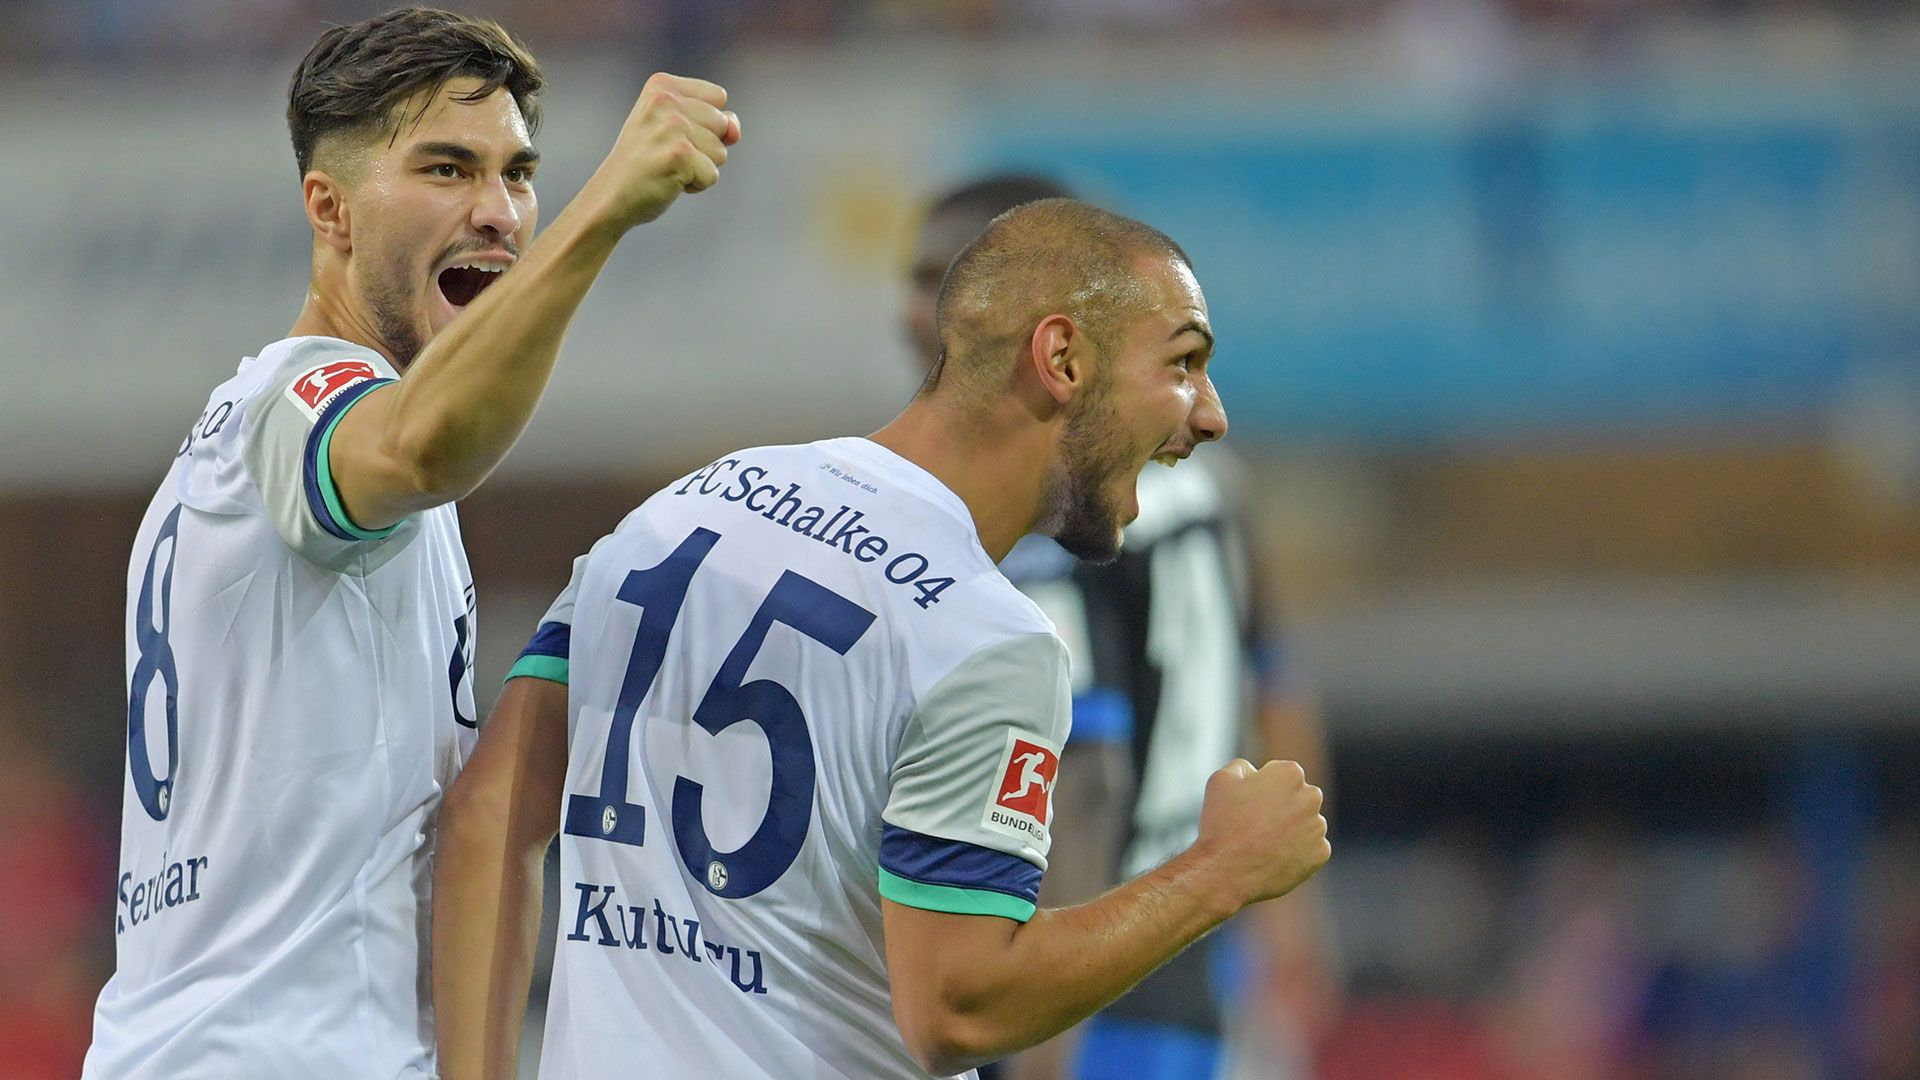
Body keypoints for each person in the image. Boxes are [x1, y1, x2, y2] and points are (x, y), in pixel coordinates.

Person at [432, 197, 1331, 1079]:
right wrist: (1222, 871)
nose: (1209, 415)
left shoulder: (687, 506)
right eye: (1183, 364)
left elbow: (489, 813)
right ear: (1061, 357)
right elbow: (956, 1005)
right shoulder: (989, 638)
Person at [84, 8, 740, 1076]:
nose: (498, 212)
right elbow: (425, 448)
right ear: (329, 208)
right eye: (445, 170)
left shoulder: (250, 439)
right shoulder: (300, 397)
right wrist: (606, 207)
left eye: (519, 176)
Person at [903, 175, 1339, 1080]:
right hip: (1204, 955)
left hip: (1091, 963)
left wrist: (1040, 1049)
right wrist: (1293, 908)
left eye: (940, 281)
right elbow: (1275, 680)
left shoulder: (1063, 515)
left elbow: (1084, 777)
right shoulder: (1214, 490)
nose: (917, 314)